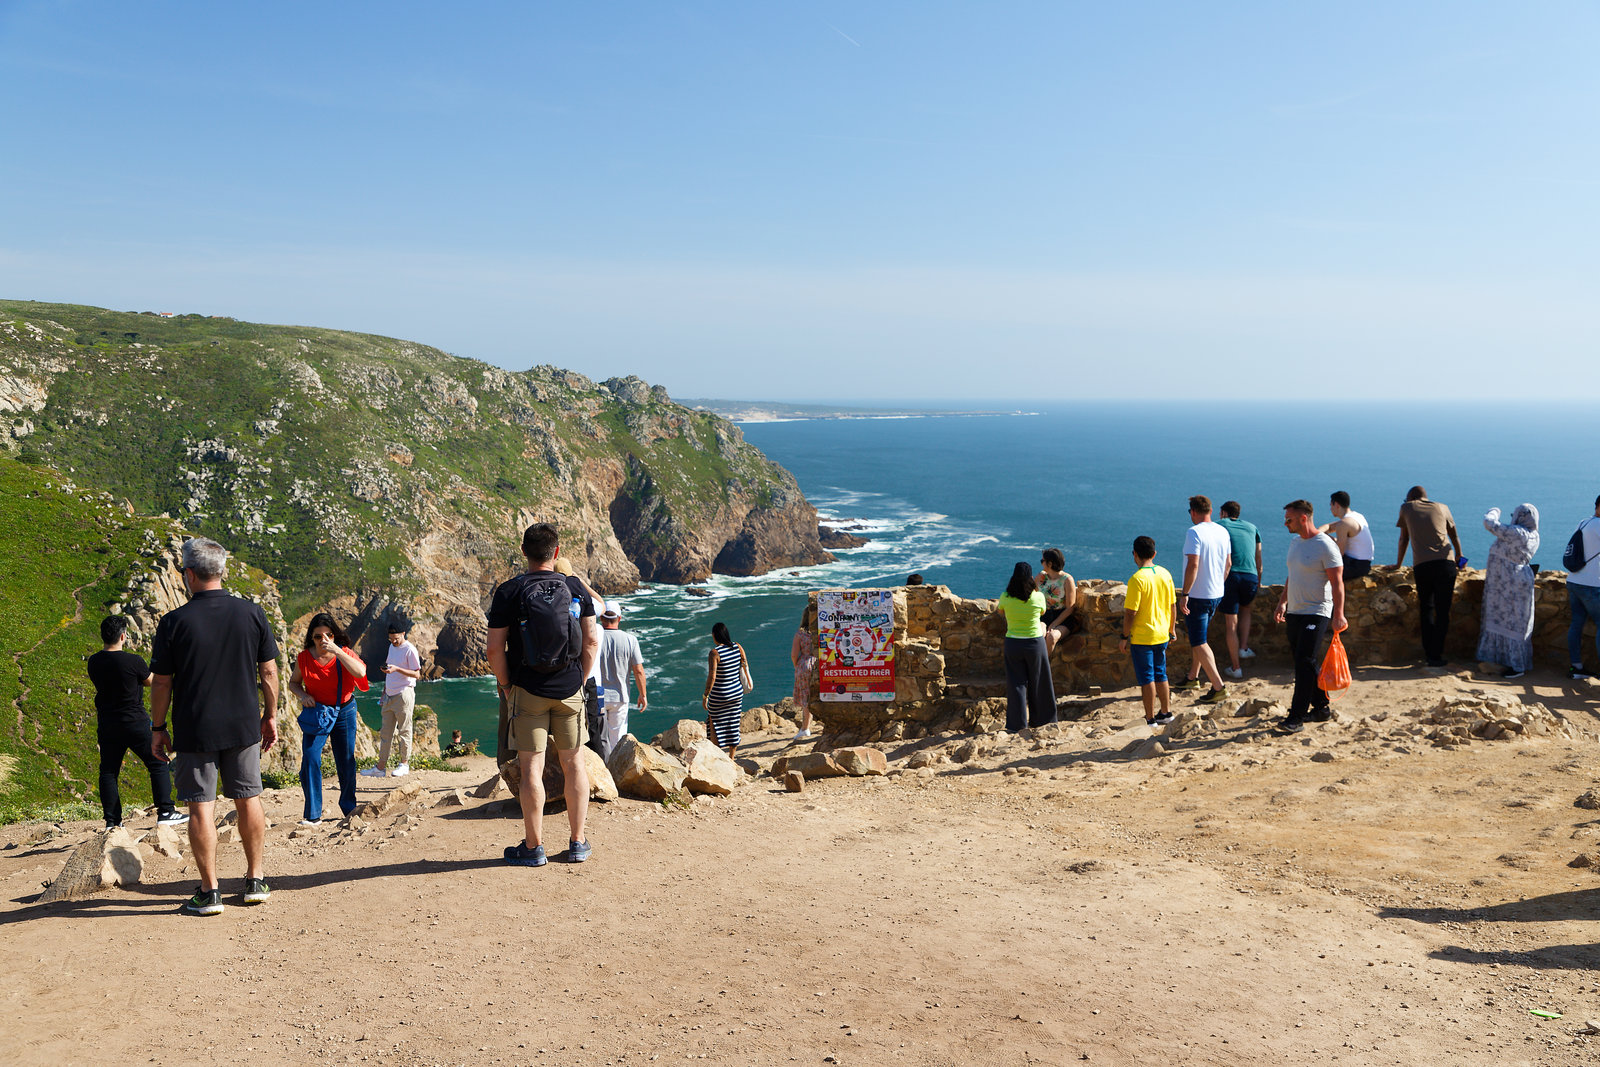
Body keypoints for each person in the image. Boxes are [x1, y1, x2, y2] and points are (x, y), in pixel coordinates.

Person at [148, 537, 280, 916]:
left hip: (195, 727)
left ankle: (211, 892)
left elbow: (162, 681)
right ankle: (255, 880)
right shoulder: (251, 614)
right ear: (221, 570)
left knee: (200, 807)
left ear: (188, 574)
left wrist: (158, 727)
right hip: (242, 725)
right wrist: (269, 715)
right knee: (248, 797)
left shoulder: (174, 622)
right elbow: (268, 671)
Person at [487, 523, 599, 867]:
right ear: (556, 551)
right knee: (574, 764)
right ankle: (577, 842)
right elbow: (592, 640)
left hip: (527, 690)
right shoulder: (576, 587)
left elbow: (494, 650)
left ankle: (534, 847)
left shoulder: (509, 591)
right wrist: (578, 679)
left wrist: (507, 687)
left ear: (524, 552)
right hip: (569, 689)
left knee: (531, 768)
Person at [87, 615, 184, 829]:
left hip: (107, 724)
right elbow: (152, 682)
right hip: (134, 721)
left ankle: (113, 822)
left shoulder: (94, 662)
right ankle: (166, 811)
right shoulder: (133, 661)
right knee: (157, 762)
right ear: (123, 636)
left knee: (109, 771)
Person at [286, 613, 369, 825]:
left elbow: (360, 673)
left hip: (344, 711)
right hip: (318, 713)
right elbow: (293, 683)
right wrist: (303, 696)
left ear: (335, 635)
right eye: (318, 636)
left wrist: (337, 651)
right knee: (311, 757)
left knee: (346, 761)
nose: (324, 640)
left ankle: (349, 808)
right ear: (311, 638)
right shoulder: (304, 658)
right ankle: (313, 814)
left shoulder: (344, 653)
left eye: (328, 635)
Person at [1273, 500, 1347, 733]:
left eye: (1289, 519)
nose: (1285, 523)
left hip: (1317, 611)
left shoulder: (1325, 545)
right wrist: (1282, 602)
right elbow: (1291, 576)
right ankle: (1322, 707)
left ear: (1303, 518)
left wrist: (1339, 615)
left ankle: (1296, 717)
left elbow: (1337, 583)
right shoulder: (1295, 543)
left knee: (1304, 661)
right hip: (1295, 611)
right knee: (1306, 662)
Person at [1396, 485, 1463, 668]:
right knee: (1443, 611)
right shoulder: (1443, 507)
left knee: (1426, 608)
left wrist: (1398, 565)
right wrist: (1459, 556)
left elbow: (1404, 539)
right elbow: (1454, 536)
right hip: (1446, 563)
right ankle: (1437, 654)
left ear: (1411, 498)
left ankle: (1429, 655)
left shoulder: (1407, 508)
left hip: (1423, 565)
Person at [1177, 495, 1231, 704]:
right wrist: (1218, 583)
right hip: (1216, 593)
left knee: (1199, 641)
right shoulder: (1222, 531)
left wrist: (1185, 594)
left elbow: (1193, 565)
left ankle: (1218, 687)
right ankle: (1192, 677)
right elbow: (1228, 563)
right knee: (1200, 637)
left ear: (1193, 512)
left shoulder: (1194, 532)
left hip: (1198, 596)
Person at [1118, 536, 1177, 726]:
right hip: (1162, 634)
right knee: (1161, 674)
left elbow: (1130, 613)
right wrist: (1172, 629)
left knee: (1147, 678)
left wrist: (1124, 636)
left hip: (1143, 637)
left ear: (1134, 554)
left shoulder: (1137, 579)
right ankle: (1166, 713)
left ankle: (1150, 718)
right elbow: (1173, 605)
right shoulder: (1165, 574)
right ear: (1154, 553)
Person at [1477, 504, 1540, 678]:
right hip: (1515, 581)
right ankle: (1508, 661)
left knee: (1510, 622)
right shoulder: (1534, 535)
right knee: (1515, 622)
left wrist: (1495, 510)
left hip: (1508, 582)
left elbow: (1489, 523)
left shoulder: (1518, 533)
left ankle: (1516, 667)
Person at [996, 561, 1057, 732]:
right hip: (1034, 644)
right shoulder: (1038, 597)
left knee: (1016, 685)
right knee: (1039, 682)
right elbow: (1043, 612)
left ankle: (1017, 725)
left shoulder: (1005, 597)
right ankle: (1043, 721)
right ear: (1031, 578)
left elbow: (1001, 612)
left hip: (1013, 643)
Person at [362, 621, 420, 778]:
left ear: (403, 634)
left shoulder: (410, 650)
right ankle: (380, 768)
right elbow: (390, 669)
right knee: (385, 733)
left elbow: (416, 674)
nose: (394, 642)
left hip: (404, 693)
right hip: (389, 694)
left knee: (404, 730)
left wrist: (397, 669)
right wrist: (384, 692)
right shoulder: (391, 647)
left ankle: (404, 764)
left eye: (396, 639)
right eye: (391, 639)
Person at [1215, 501, 1262, 681]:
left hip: (1231, 576)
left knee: (1230, 623)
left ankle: (1236, 668)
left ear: (1223, 513)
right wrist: (1259, 579)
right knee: (1246, 609)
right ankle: (1243, 648)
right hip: (1250, 576)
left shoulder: (1219, 525)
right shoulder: (1252, 527)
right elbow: (1258, 556)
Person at [596, 607, 647, 758]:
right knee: (617, 740)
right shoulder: (631, 639)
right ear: (619, 618)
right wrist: (643, 695)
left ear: (601, 619)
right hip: (620, 697)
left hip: (597, 696)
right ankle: (615, 776)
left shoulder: (594, 638)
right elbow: (638, 671)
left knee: (598, 740)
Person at [703, 622, 752, 756]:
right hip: (736, 692)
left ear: (714, 635)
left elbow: (712, 677)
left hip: (720, 695)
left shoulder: (715, 653)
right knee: (733, 722)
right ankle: (732, 757)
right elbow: (744, 665)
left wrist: (705, 695)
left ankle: (717, 754)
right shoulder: (738, 647)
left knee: (714, 722)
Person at [1567, 495, 1600, 679]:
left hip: (1574, 580)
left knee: (1576, 623)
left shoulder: (1583, 522)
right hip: (1592, 585)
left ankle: (1576, 668)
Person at [1321, 491, 1375, 582]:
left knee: (1317, 569)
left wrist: (1324, 540)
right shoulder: (1357, 516)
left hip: (1354, 566)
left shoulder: (1344, 523)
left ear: (1336, 505)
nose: (1330, 508)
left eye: (1331, 505)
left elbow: (1338, 554)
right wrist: (1317, 534)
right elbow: (1329, 527)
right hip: (1364, 564)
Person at [1038, 548, 1078, 653]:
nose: (1041, 564)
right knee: (1038, 636)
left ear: (1049, 564)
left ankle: (1043, 667)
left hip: (1062, 618)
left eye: (1042, 561)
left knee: (1051, 637)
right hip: (1044, 615)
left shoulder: (1067, 580)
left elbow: (1070, 607)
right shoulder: (1041, 577)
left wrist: (1054, 624)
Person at [790, 604, 819, 741]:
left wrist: (797, 665)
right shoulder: (821, 631)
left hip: (805, 664)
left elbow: (794, 655)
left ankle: (805, 728)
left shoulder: (800, 633)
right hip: (819, 663)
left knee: (806, 697)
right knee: (819, 694)